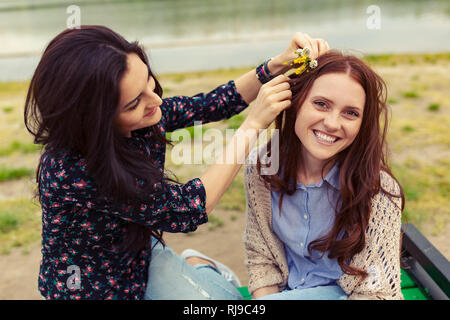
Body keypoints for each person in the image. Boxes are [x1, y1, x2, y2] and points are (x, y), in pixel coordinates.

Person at [24, 25, 329, 299]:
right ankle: (198, 265)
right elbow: (189, 208)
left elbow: (212, 103)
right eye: (134, 103)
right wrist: (251, 126)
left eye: (148, 81)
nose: (155, 100)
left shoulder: (142, 119)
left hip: (140, 259)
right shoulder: (73, 170)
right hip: (89, 289)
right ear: (95, 120)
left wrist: (275, 66)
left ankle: (195, 264)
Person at [243, 50, 405, 300]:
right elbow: (261, 259)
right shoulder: (261, 166)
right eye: (321, 104)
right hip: (283, 293)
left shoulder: (379, 190)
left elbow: (377, 293)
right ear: (296, 103)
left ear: (363, 124)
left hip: (346, 295)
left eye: (351, 113)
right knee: (172, 266)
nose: (331, 123)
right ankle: (206, 269)